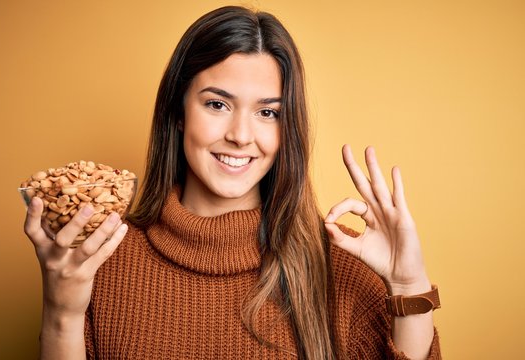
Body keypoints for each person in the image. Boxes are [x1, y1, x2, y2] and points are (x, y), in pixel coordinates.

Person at [24, 6, 441, 360]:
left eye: (267, 113)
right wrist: (62, 311)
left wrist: (408, 286)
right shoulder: (99, 258)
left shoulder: (341, 264)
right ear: (178, 111)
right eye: (218, 104)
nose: (241, 135)